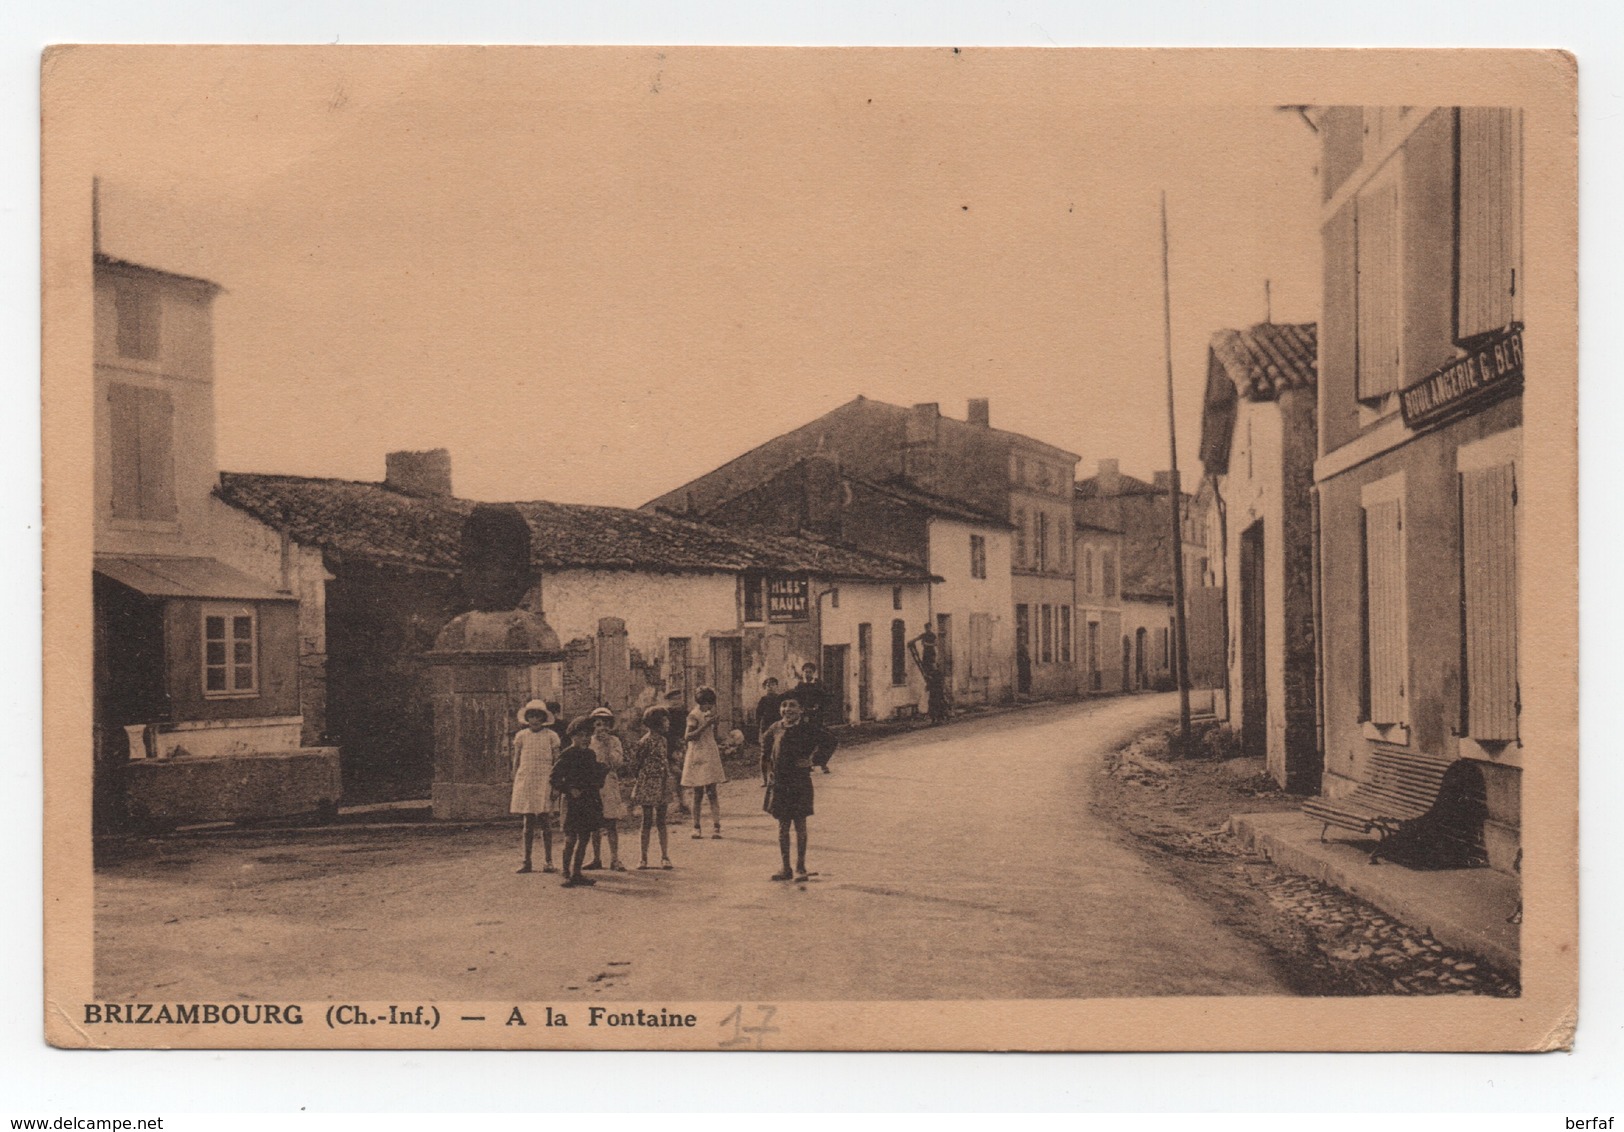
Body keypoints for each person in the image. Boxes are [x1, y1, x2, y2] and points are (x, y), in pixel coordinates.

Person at [760, 696, 837, 881]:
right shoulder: (775, 728)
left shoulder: (807, 728)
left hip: (799, 782)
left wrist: (814, 760)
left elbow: (830, 741)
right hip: (779, 783)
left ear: (801, 709)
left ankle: (800, 867)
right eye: (784, 705)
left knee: (800, 825)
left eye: (793, 705)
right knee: (783, 826)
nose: (787, 709)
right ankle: (785, 868)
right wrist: (769, 772)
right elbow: (765, 749)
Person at [550, 716, 609, 888]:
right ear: (572, 736)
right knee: (570, 838)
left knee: (584, 838)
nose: (585, 739)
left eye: (588, 735)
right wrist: (568, 789)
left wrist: (601, 772)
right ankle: (566, 872)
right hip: (572, 803)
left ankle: (577, 872)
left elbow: (594, 778)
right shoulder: (567, 754)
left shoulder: (590, 754)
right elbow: (554, 778)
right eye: (581, 735)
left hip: (588, 802)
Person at [509, 700, 561, 874]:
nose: (535, 720)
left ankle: (548, 861)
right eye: (531, 716)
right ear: (527, 718)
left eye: (538, 716)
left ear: (543, 718)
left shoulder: (551, 736)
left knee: (545, 821)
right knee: (528, 821)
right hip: (527, 780)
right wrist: (516, 778)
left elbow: (557, 761)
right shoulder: (522, 736)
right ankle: (526, 861)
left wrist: (556, 784)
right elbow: (516, 759)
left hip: (544, 780)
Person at [628, 706, 677, 869]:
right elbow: (636, 764)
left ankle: (665, 856)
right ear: (656, 723)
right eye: (665, 720)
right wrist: (643, 781)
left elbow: (665, 760)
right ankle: (643, 858)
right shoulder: (645, 741)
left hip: (662, 783)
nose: (668, 723)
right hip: (648, 783)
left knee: (662, 821)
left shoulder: (664, 741)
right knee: (647, 821)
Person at [585, 706, 628, 872]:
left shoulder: (614, 741)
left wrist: (607, 747)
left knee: (611, 823)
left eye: (605, 725)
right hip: (593, 784)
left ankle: (615, 859)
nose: (601, 728)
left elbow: (616, 763)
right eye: (597, 724)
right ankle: (596, 858)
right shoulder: (588, 741)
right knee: (594, 824)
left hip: (608, 782)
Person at [682, 686, 727, 839]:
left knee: (712, 792)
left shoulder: (710, 713)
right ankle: (696, 826)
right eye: (708, 703)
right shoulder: (693, 715)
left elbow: (710, 734)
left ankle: (716, 826)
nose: (710, 706)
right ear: (701, 702)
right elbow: (688, 737)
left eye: (711, 703)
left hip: (709, 752)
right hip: (697, 754)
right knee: (698, 793)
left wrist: (714, 724)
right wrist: (706, 725)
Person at [909, 624, 949, 725]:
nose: (927, 629)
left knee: (936, 703)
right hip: (926, 655)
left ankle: (939, 717)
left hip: (930, 653)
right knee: (932, 703)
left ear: (930, 628)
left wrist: (926, 644)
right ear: (925, 628)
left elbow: (935, 644)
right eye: (926, 628)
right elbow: (917, 638)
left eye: (928, 628)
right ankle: (935, 719)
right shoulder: (924, 635)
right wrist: (911, 642)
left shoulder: (932, 635)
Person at [663, 687, 691, 818]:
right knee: (674, 774)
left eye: (679, 699)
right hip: (670, 747)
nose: (677, 702)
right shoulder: (666, 714)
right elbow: (666, 733)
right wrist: (673, 745)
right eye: (674, 700)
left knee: (682, 775)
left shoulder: (685, 713)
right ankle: (674, 802)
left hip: (684, 746)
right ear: (669, 701)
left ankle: (682, 802)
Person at [792, 663, 828, 732]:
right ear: (803, 672)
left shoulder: (819, 683)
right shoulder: (800, 684)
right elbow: (796, 697)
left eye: (810, 672)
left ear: (813, 673)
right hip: (803, 710)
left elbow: (824, 696)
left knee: (816, 728)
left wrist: (819, 704)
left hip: (816, 711)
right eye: (806, 672)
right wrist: (800, 707)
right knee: (804, 728)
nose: (807, 674)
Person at [753, 677, 784, 746]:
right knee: (766, 742)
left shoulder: (780, 698)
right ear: (765, 687)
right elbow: (758, 713)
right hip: (766, 723)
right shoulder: (763, 699)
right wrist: (759, 723)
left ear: (777, 686)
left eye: (773, 684)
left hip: (777, 722)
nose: (770, 687)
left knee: (777, 742)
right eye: (768, 685)